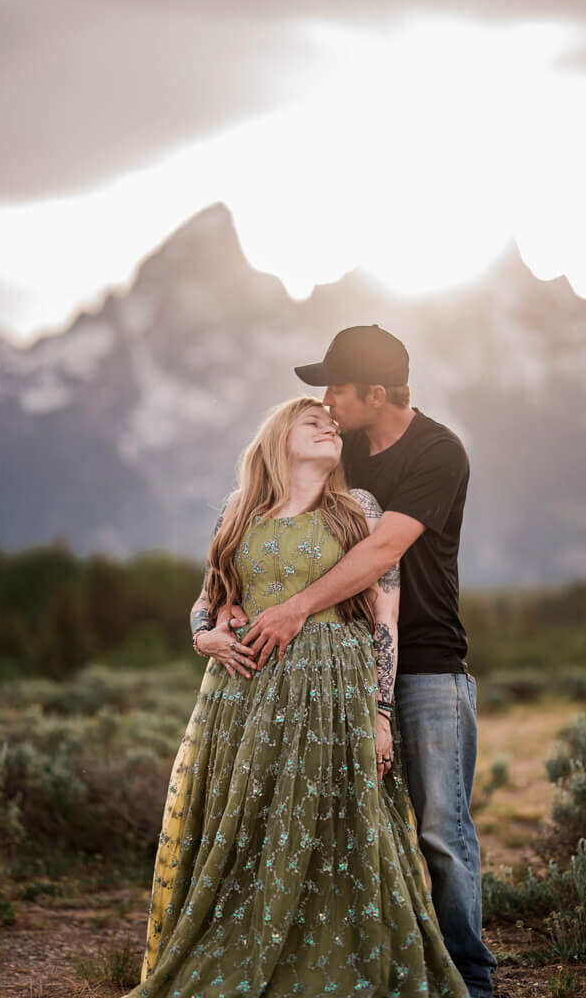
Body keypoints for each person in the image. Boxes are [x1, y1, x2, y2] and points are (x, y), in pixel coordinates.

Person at [130, 396, 468, 998]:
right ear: (278, 437)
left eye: (333, 424)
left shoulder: (358, 509)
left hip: (334, 690)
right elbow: (208, 599)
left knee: (340, 830)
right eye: (314, 422)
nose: (329, 427)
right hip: (246, 695)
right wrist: (204, 635)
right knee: (248, 833)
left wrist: (381, 713)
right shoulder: (238, 511)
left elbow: (383, 619)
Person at [239, 327, 496, 998]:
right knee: (347, 830)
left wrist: (292, 608)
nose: (325, 401)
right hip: (340, 673)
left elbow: (382, 551)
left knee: (441, 831)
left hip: (428, 667)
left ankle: (468, 979)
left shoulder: (437, 452)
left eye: (336, 388)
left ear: (375, 394)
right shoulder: (342, 448)